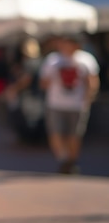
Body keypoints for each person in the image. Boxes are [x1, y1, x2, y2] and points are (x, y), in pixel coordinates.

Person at [39, 34, 99, 174]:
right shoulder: (53, 60)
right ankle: (64, 159)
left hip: (77, 105)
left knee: (74, 136)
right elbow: (43, 84)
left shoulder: (86, 60)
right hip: (55, 104)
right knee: (55, 134)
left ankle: (71, 162)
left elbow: (92, 81)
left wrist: (88, 98)